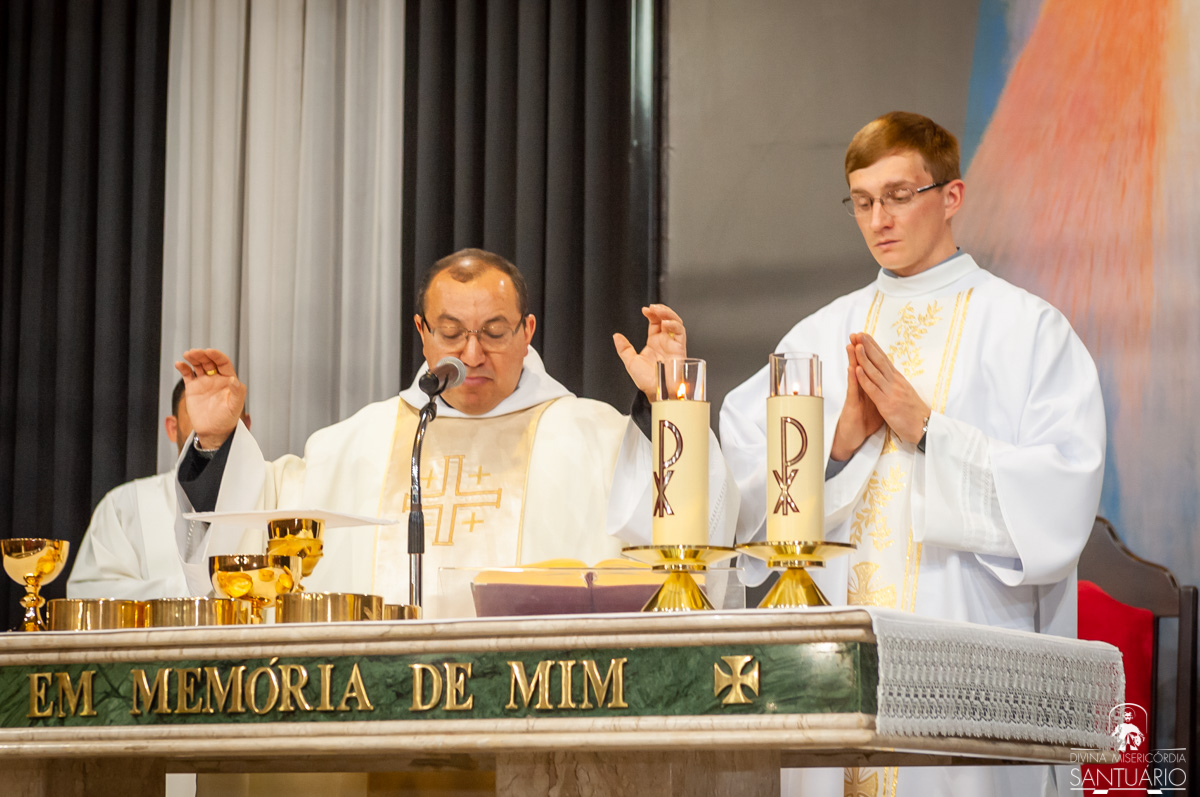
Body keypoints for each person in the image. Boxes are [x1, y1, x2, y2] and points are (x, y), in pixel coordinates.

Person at [719, 112, 1105, 797]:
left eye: (898, 196)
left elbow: (1062, 495)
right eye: (862, 201)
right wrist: (839, 445)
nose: (879, 220)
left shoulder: (1027, 330)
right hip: (832, 673)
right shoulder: (818, 336)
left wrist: (928, 431)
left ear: (951, 196)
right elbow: (745, 498)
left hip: (968, 660)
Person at [174, 248, 737, 618]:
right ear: (422, 332)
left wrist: (670, 405)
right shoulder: (355, 445)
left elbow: (682, 550)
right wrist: (217, 445)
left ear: (527, 331)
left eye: (494, 332)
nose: (471, 355)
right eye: (451, 333)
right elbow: (262, 533)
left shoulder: (594, 437)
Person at [67, 380, 250, 600]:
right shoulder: (124, 505)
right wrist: (194, 591)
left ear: (246, 426)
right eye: (200, 408)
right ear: (172, 428)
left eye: (225, 408)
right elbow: (89, 594)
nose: (215, 421)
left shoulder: (273, 495)